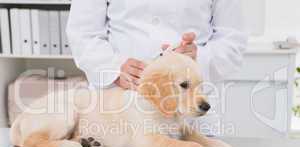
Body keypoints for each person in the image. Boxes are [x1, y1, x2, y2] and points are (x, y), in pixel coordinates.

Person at [67, 0, 247, 90]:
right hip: (119, 102)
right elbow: (82, 33)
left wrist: (198, 59)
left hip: (190, 109)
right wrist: (113, 68)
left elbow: (233, 41)